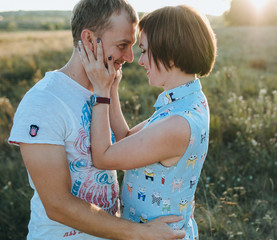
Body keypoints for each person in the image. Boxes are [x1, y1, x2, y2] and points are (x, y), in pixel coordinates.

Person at [8, 0, 185, 239]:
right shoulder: (43, 102)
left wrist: (110, 90)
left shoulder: (102, 89)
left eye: (132, 46)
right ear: (89, 40)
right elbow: (57, 204)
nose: (130, 57)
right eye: (122, 45)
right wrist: (141, 233)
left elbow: (123, 150)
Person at [78, 5, 217, 240]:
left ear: (170, 54)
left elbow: (103, 157)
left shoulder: (176, 125)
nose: (140, 61)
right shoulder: (190, 100)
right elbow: (126, 139)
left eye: (144, 50)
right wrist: (112, 88)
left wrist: (101, 92)